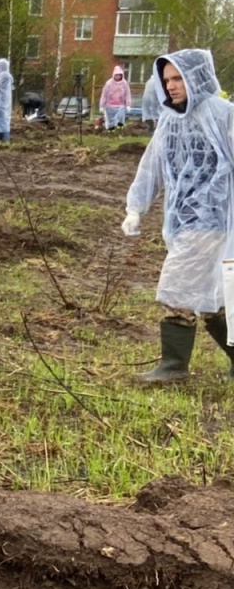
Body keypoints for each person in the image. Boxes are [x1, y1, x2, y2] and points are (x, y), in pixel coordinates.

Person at [122, 49, 234, 383]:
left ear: (196, 77)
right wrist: (135, 207)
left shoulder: (222, 114)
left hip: (214, 218)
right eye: (166, 79)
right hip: (183, 222)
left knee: (177, 286)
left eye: (177, 78)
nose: (171, 86)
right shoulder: (170, 120)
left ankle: (174, 366)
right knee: (211, 298)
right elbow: (152, 165)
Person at [100, 66, 133, 130]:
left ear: (121, 75)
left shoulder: (124, 83)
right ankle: (111, 131)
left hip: (121, 105)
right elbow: (104, 95)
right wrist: (102, 105)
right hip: (109, 105)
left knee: (120, 118)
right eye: (116, 75)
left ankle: (119, 130)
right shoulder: (109, 83)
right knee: (110, 120)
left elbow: (127, 94)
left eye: (119, 75)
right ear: (114, 75)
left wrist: (128, 104)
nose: (118, 77)